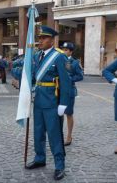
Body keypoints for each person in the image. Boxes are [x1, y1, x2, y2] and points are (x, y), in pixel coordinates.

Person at [25, 25, 71, 181]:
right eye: (40, 38)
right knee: (38, 132)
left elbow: (66, 82)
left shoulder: (59, 56)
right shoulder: (37, 56)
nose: (41, 41)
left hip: (52, 102)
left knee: (54, 135)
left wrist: (63, 104)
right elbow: (33, 77)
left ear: (52, 40)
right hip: (38, 100)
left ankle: (60, 165)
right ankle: (40, 158)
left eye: (44, 38)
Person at [60, 42, 83, 146]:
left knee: (68, 114)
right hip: (58, 90)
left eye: (66, 50)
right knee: (58, 113)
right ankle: (58, 134)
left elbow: (80, 76)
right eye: (63, 49)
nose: (64, 51)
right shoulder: (59, 60)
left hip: (69, 91)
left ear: (70, 51)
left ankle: (69, 135)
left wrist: (69, 79)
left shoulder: (74, 62)